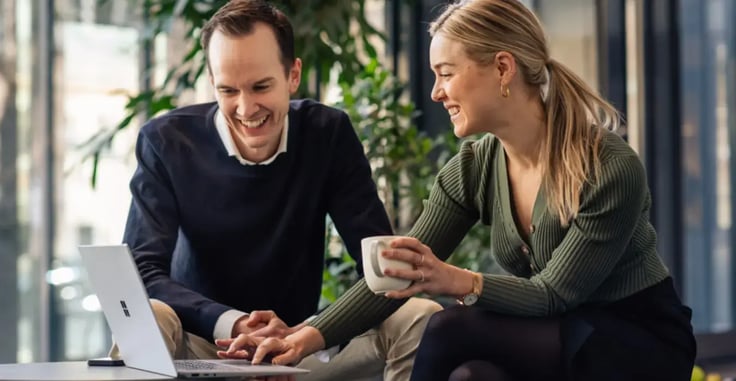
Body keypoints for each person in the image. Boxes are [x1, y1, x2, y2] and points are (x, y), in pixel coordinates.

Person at [218, 0, 696, 380]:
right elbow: (400, 275)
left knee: (448, 327)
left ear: (503, 69)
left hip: (633, 338)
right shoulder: (474, 166)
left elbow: (556, 295)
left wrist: (456, 281)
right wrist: (307, 336)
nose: (435, 92)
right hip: (551, 335)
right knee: (472, 376)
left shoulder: (607, 165)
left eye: (446, 73)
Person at [117, 0, 441, 380]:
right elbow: (140, 272)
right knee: (147, 315)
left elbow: (378, 270)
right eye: (228, 90)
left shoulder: (328, 133)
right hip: (202, 347)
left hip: (300, 347)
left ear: (293, 75)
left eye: (260, 86)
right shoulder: (166, 142)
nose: (245, 108)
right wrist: (234, 324)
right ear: (212, 82)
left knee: (420, 316)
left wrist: (311, 333)